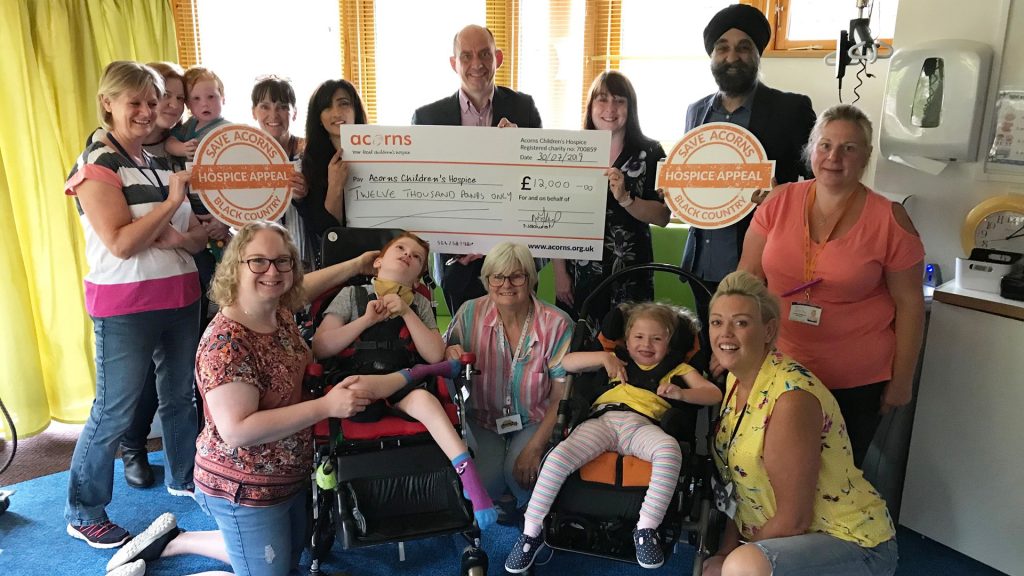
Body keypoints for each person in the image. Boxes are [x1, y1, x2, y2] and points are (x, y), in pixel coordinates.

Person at [103, 221, 377, 576]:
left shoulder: (277, 310)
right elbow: (238, 430)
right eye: (258, 261)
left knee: (285, 561)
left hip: (287, 475)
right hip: (243, 486)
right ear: (235, 267)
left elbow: (304, 287)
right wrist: (326, 406)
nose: (272, 272)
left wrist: (357, 264)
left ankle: (176, 540)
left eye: (282, 261)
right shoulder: (227, 343)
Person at [63, 60, 207, 548]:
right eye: (135, 102)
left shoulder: (157, 158)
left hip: (181, 296)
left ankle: (185, 478)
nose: (147, 111)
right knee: (114, 411)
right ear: (107, 103)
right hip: (125, 304)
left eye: (153, 101)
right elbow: (122, 243)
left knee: (181, 398)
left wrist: (181, 236)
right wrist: (168, 208)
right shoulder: (96, 163)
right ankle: (83, 512)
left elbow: (191, 239)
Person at [737, 104, 925, 466]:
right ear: (811, 149)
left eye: (848, 148)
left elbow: (910, 304)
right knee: (767, 471)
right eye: (825, 145)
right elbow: (747, 279)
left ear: (866, 156)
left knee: (836, 480)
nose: (834, 158)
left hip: (855, 382)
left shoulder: (890, 219)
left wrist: (902, 380)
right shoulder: (778, 202)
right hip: (779, 368)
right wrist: (734, 347)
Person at [702, 271, 897, 576]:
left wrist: (734, 557)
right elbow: (737, 484)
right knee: (725, 565)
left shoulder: (790, 399)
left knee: (741, 567)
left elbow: (794, 520)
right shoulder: (736, 379)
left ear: (768, 330)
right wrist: (725, 550)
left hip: (852, 543)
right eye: (716, 322)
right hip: (784, 537)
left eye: (740, 323)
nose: (725, 334)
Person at [505, 303, 722, 572]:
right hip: (603, 420)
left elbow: (713, 394)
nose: (646, 345)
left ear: (669, 343)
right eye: (639, 337)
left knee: (669, 450)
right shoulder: (615, 357)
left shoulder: (677, 369)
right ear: (627, 340)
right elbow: (568, 363)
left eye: (656, 339)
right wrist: (602, 358)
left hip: (643, 425)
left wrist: (682, 394)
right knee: (558, 455)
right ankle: (531, 531)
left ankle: (646, 528)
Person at [312, 232, 496, 529]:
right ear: (378, 262)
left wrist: (408, 312)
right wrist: (366, 320)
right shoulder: (352, 295)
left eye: (417, 257)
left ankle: (469, 477)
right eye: (401, 248)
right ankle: (415, 374)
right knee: (358, 389)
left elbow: (434, 354)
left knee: (426, 401)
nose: (408, 255)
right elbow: (321, 347)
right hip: (357, 382)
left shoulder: (419, 304)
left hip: (402, 386)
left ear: (419, 277)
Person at [680, 3, 816, 374]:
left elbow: (819, 185)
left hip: (761, 263)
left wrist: (782, 196)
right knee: (713, 357)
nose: (732, 56)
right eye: (722, 48)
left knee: (758, 360)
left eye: (744, 47)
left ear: (758, 54)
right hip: (701, 261)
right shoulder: (696, 111)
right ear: (712, 56)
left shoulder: (790, 109)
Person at [412, 24, 543, 316]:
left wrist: (520, 148)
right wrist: (454, 243)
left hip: (513, 260)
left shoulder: (524, 108)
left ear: (498, 58)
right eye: (466, 56)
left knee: (517, 337)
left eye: (485, 54)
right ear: (453, 63)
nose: (477, 64)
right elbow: (422, 192)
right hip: (457, 262)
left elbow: (539, 181)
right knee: (466, 339)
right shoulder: (427, 118)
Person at [444, 242, 572, 521]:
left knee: (524, 477)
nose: (506, 285)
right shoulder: (469, 313)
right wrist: (449, 352)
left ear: (531, 278)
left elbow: (560, 396)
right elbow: (444, 360)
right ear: (486, 280)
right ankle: (504, 497)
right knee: (480, 484)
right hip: (482, 418)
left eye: (517, 276)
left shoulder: (557, 323)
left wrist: (535, 448)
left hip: (533, 419)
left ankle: (522, 506)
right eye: (497, 277)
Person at [553, 71, 669, 327]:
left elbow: (663, 216)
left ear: (631, 107)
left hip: (630, 271)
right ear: (591, 106)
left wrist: (627, 199)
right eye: (602, 99)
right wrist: (560, 273)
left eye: (619, 100)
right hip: (580, 271)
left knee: (631, 340)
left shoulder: (651, 152)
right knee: (580, 342)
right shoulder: (570, 149)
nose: (610, 108)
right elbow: (557, 216)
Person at [298, 78, 369, 267]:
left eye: (343, 104)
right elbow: (327, 231)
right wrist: (335, 186)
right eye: (326, 107)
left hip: (381, 253)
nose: (336, 113)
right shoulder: (310, 163)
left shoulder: (382, 152)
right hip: (340, 264)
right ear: (319, 118)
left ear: (356, 110)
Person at [250, 75, 311, 268]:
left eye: (282, 107)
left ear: (294, 113)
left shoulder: (309, 152)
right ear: (253, 112)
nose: (274, 115)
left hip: (304, 257)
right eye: (265, 107)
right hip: (260, 258)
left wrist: (304, 198)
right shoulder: (244, 156)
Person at [166, 66, 230, 159]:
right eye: (196, 98)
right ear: (188, 104)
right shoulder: (190, 123)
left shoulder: (228, 129)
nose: (205, 104)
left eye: (211, 97)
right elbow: (169, 142)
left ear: (223, 99)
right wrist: (182, 149)